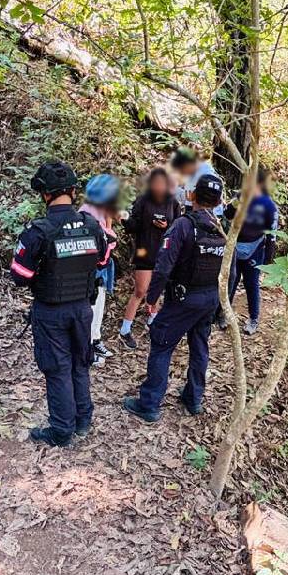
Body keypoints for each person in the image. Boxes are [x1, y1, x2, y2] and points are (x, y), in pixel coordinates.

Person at [9, 162, 109, 447]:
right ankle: (83, 420)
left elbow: (20, 276)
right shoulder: (92, 225)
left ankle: (62, 430)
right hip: (82, 309)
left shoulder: (38, 231)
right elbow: (103, 261)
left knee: (58, 368)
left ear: (45, 195)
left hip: (51, 311)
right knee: (80, 363)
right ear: (73, 192)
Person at [122, 173, 227, 423]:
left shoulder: (183, 225)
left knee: (161, 343)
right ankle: (194, 398)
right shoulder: (223, 229)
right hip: (210, 298)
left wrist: (151, 298)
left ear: (192, 195)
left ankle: (149, 403)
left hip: (184, 297)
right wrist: (223, 304)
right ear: (219, 200)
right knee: (200, 346)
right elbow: (230, 271)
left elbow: (163, 266)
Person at [117, 168, 180, 350]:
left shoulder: (172, 202)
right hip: (144, 250)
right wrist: (122, 218)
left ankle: (153, 320)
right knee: (141, 290)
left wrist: (166, 226)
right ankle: (125, 329)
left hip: (164, 252)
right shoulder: (143, 200)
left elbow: (178, 226)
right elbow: (133, 225)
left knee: (157, 288)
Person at [218, 169, 278, 335]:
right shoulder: (240, 197)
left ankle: (253, 318)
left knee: (251, 284)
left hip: (255, 248)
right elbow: (226, 214)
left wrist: (268, 260)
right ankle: (223, 314)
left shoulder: (269, 206)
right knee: (231, 281)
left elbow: (272, 234)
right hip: (235, 246)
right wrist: (237, 201)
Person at [79, 174, 121, 364]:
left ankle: (95, 339)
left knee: (99, 303)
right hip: (91, 267)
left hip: (102, 266)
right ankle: (87, 347)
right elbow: (107, 240)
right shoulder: (87, 212)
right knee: (91, 306)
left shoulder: (102, 210)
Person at [171, 147, 225, 217]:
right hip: (204, 209)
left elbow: (190, 196)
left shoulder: (203, 172)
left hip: (208, 211)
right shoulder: (196, 169)